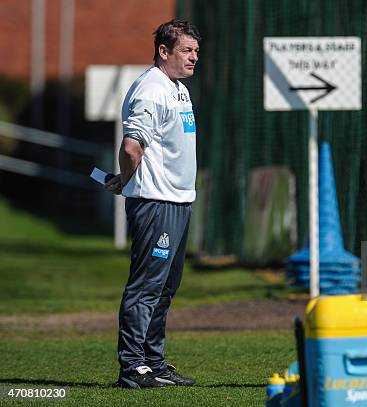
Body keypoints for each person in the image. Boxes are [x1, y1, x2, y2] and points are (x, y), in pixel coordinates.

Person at [105, 19, 201, 389]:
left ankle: (153, 362)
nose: (194, 57)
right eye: (187, 51)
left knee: (165, 288)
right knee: (146, 287)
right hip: (156, 202)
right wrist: (125, 178)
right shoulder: (150, 88)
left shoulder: (178, 89)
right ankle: (132, 367)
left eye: (195, 50)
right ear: (164, 51)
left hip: (179, 201)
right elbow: (132, 146)